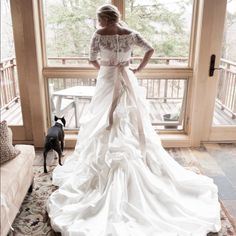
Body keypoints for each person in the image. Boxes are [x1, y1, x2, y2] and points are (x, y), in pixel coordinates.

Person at [47, 4, 221, 236]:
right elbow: (150, 49)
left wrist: (104, 68)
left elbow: (91, 58)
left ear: (104, 19)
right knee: (129, 117)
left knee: (105, 121)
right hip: (127, 78)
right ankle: (141, 167)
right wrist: (136, 68)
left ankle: (104, 176)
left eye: (99, 19)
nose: (98, 23)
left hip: (107, 79)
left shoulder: (98, 35)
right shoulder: (131, 34)